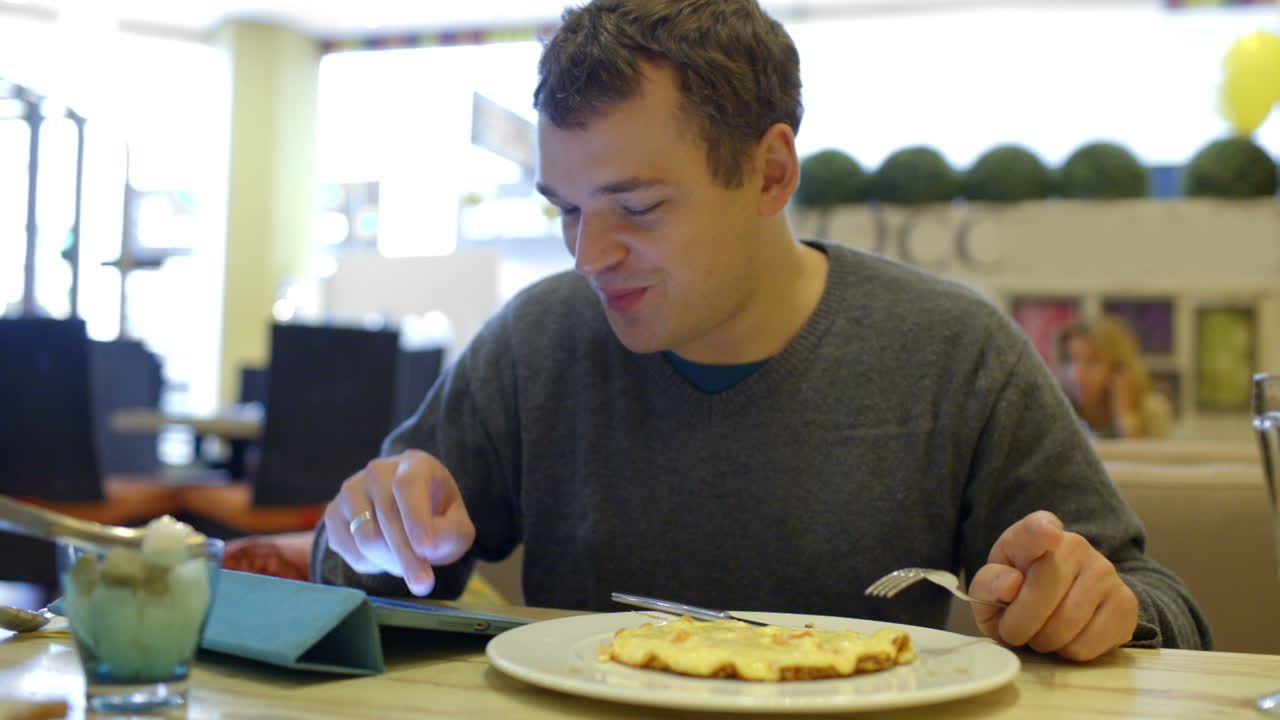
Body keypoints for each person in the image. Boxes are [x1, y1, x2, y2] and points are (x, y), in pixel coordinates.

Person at [311, 0, 1210, 661]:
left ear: (771, 172)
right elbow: (355, 589)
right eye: (568, 209)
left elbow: (1166, 608)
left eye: (638, 207)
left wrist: (1098, 608)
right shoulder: (535, 344)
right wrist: (372, 537)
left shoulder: (953, 357)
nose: (588, 255)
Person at [1056, 315, 1173, 439]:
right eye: (1069, 360)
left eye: (1091, 361)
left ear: (1117, 367)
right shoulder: (1056, 410)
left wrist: (1124, 416)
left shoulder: (1152, 409)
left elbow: (1142, 457)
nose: (1077, 374)